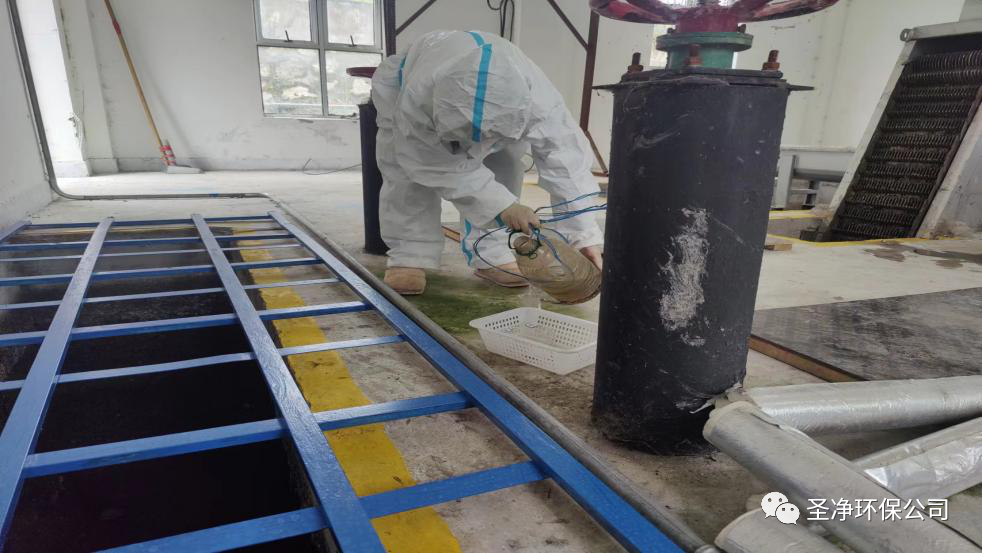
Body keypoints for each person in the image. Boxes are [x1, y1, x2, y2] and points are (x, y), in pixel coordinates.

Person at [372, 29, 604, 295]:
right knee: (404, 172)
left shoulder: (540, 102)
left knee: (506, 162)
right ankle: (410, 254)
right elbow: (425, 160)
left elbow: (567, 162)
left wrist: (582, 234)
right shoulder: (418, 97)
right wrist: (503, 206)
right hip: (403, 83)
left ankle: (491, 254)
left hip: (502, 110)